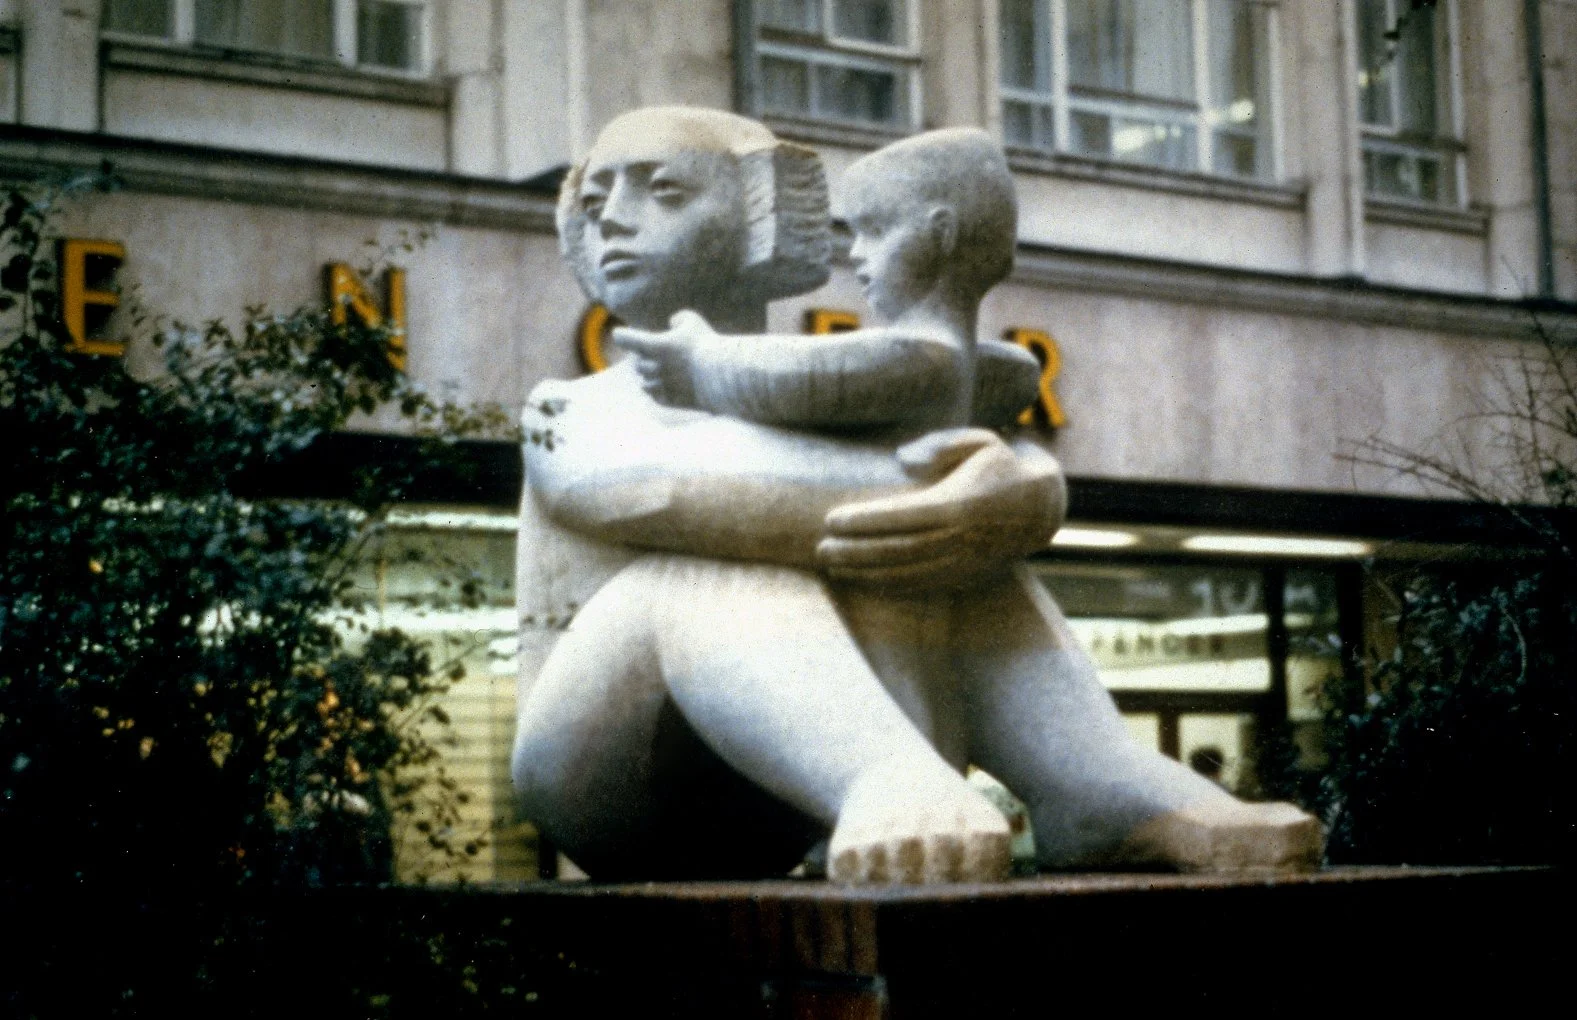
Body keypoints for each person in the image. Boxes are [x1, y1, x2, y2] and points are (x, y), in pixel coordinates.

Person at [511, 107, 1321, 883]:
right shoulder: (568, 408)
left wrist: (1019, 487)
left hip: (772, 793)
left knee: (957, 563)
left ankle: (1090, 781)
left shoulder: (815, 389)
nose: (612, 216)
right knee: (714, 570)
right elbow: (685, 492)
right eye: (595, 198)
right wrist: (1002, 502)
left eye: (662, 189)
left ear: (763, 220)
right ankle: (884, 775)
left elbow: (945, 442)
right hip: (609, 776)